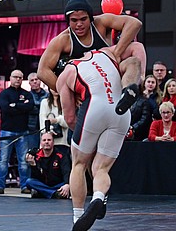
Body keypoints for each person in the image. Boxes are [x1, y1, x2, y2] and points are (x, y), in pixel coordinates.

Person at [56, 43, 144, 230]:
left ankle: (78, 216)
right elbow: (136, 50)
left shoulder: (66, 73)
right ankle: (98, 197)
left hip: (94, 109)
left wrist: (82, 137)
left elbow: (70, 117)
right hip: (122, 111)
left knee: (79, 164)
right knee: (101, 167)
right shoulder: (105, 53)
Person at [37, 0, 143, 114]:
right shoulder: (63, 40)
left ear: (91, 18)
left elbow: (135, 23)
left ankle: (130, 90)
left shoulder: (100, 23)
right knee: (72, 117)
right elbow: (42, 71)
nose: (79, 24)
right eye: (74, 20)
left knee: (136, 49)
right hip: (87, 84)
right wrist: (70, 93)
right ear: (68, 21)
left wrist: (117, 53)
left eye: (83, 19)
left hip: (109, 72)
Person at [0, 69, 34, 195]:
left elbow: (30, 107)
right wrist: (21, 106)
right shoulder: (4, 94)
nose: (18, 79)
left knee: (23, 161)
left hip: (23, 131)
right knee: (3, 160)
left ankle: (24, 186)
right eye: (15, 77)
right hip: (6, 131)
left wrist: (14, 105)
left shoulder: (27, 94)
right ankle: (0, 186)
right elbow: (5, 108)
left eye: (20, 77)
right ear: (10, 78)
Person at [25, 132, 70, 199]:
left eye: (49, 140)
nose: (46, 142)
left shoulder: (60, 155)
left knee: (71, 185)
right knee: (29, 182)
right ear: (41, 143)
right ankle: (53, 193)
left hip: (59, 184)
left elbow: (66, 171)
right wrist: (33, 165)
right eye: (44, 140)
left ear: (53, 142)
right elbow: (36, 178)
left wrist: (67, 184)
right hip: (44, 184)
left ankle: (43, 193)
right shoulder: (37, 155)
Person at [39, 88, 69, 155]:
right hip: (47, 142)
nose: (55, 89)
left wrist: (56, 120)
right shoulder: (44, 102)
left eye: (57, 87)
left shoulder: (66, 102)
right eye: (52, 87)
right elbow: (42, 122)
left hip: (63, 141)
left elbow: (67, 122)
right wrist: (51, 131)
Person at [27, 72, 48, 149]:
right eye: (32, 80)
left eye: (37, 79)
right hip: (32, 128)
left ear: (40, 81)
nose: (35, 81)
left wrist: (35, 105)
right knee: (33, 150)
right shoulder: (27, 95)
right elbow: (29, 109)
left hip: (45, 127)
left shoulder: (47, 95)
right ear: (29, 83)